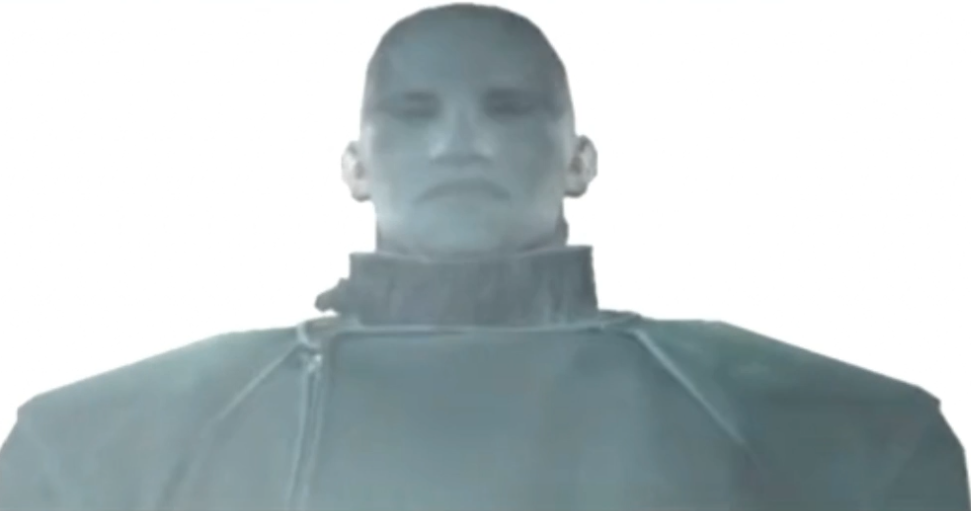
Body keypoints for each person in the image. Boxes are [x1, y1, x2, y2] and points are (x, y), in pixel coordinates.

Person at [1, 3, 967, 510]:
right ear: (353, 165)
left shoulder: (824, 429)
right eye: (412, 111)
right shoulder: (107, 445)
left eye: (508, 109)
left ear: (581, 160)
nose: (458, 142)